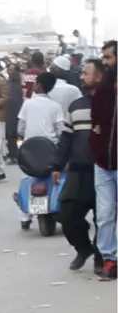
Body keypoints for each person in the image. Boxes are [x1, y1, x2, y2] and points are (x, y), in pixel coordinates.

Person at [56, 60, 100, 271]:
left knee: (104, 219)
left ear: (99, 77)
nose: (82, 77)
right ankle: (84, 248)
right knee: (67, 215)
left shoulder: (111, 104)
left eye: (86, 73)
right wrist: (57, 165)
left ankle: (102, 258)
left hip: (104, 171)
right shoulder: (76, 106)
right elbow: (66, 139)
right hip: (78, 172)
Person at [97, 42, 117, 280]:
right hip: (102, 163)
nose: (105, 62)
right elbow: (96, 120)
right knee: (104, 214)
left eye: (109, 58)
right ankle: (109, 259)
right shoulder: (103, 89)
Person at [19, 72, 70, 142]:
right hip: (50, 145)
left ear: (38, 85)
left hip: (29, 145)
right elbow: (60, 130)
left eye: (35, 82)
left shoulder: (27, 103)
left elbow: (20, 129)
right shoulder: (56, 106)